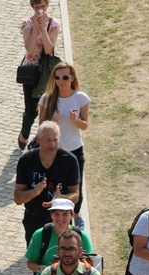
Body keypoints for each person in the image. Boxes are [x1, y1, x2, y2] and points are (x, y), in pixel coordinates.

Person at [38, 62, 90, 228]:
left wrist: (76, 121)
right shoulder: (47, 98)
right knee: (54, 182)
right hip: (53, 150)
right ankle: (55, 215)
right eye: (58, 77)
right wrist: (52, 122)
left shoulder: (81, 98)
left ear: (72, 78)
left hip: (74, 148)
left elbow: (85, 125)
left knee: (76, 184)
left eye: (65, 77)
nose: (61, 81)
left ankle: (76, 213)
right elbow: (41, 125)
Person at [14, 121, 80, 245]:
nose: (52, 144)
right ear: (38, 139)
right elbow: (18, 198)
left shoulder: (69, 160)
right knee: (35, 259)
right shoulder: (26, 161)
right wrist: (34, 192)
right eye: (48, 140)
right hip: (34, 220)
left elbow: (75, 195)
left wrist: (61, 199)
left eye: (55, 140)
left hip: (61, 220)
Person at [17, 0, 61, 150]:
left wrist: (44, 28)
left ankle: (41, 141)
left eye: (43, 6)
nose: (40, 9)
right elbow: (29, 49)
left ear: (47, 5)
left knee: (48, 107)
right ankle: (24, 133)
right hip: (31, 71)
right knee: (31, 110)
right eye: (37, 7)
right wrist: (36, 27)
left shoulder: (54, 24)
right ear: (32, 7)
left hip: (47, 71)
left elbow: (49, 49)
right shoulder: (27, 24)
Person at [25, 198, 93, 275]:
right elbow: (30, 263)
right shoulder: (40, 235)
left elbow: (90, 264)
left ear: (71, 215)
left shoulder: (83, 237)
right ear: (51, 215)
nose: (60, 218)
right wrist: (41, 268)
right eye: (56, 214)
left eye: (65, 214)